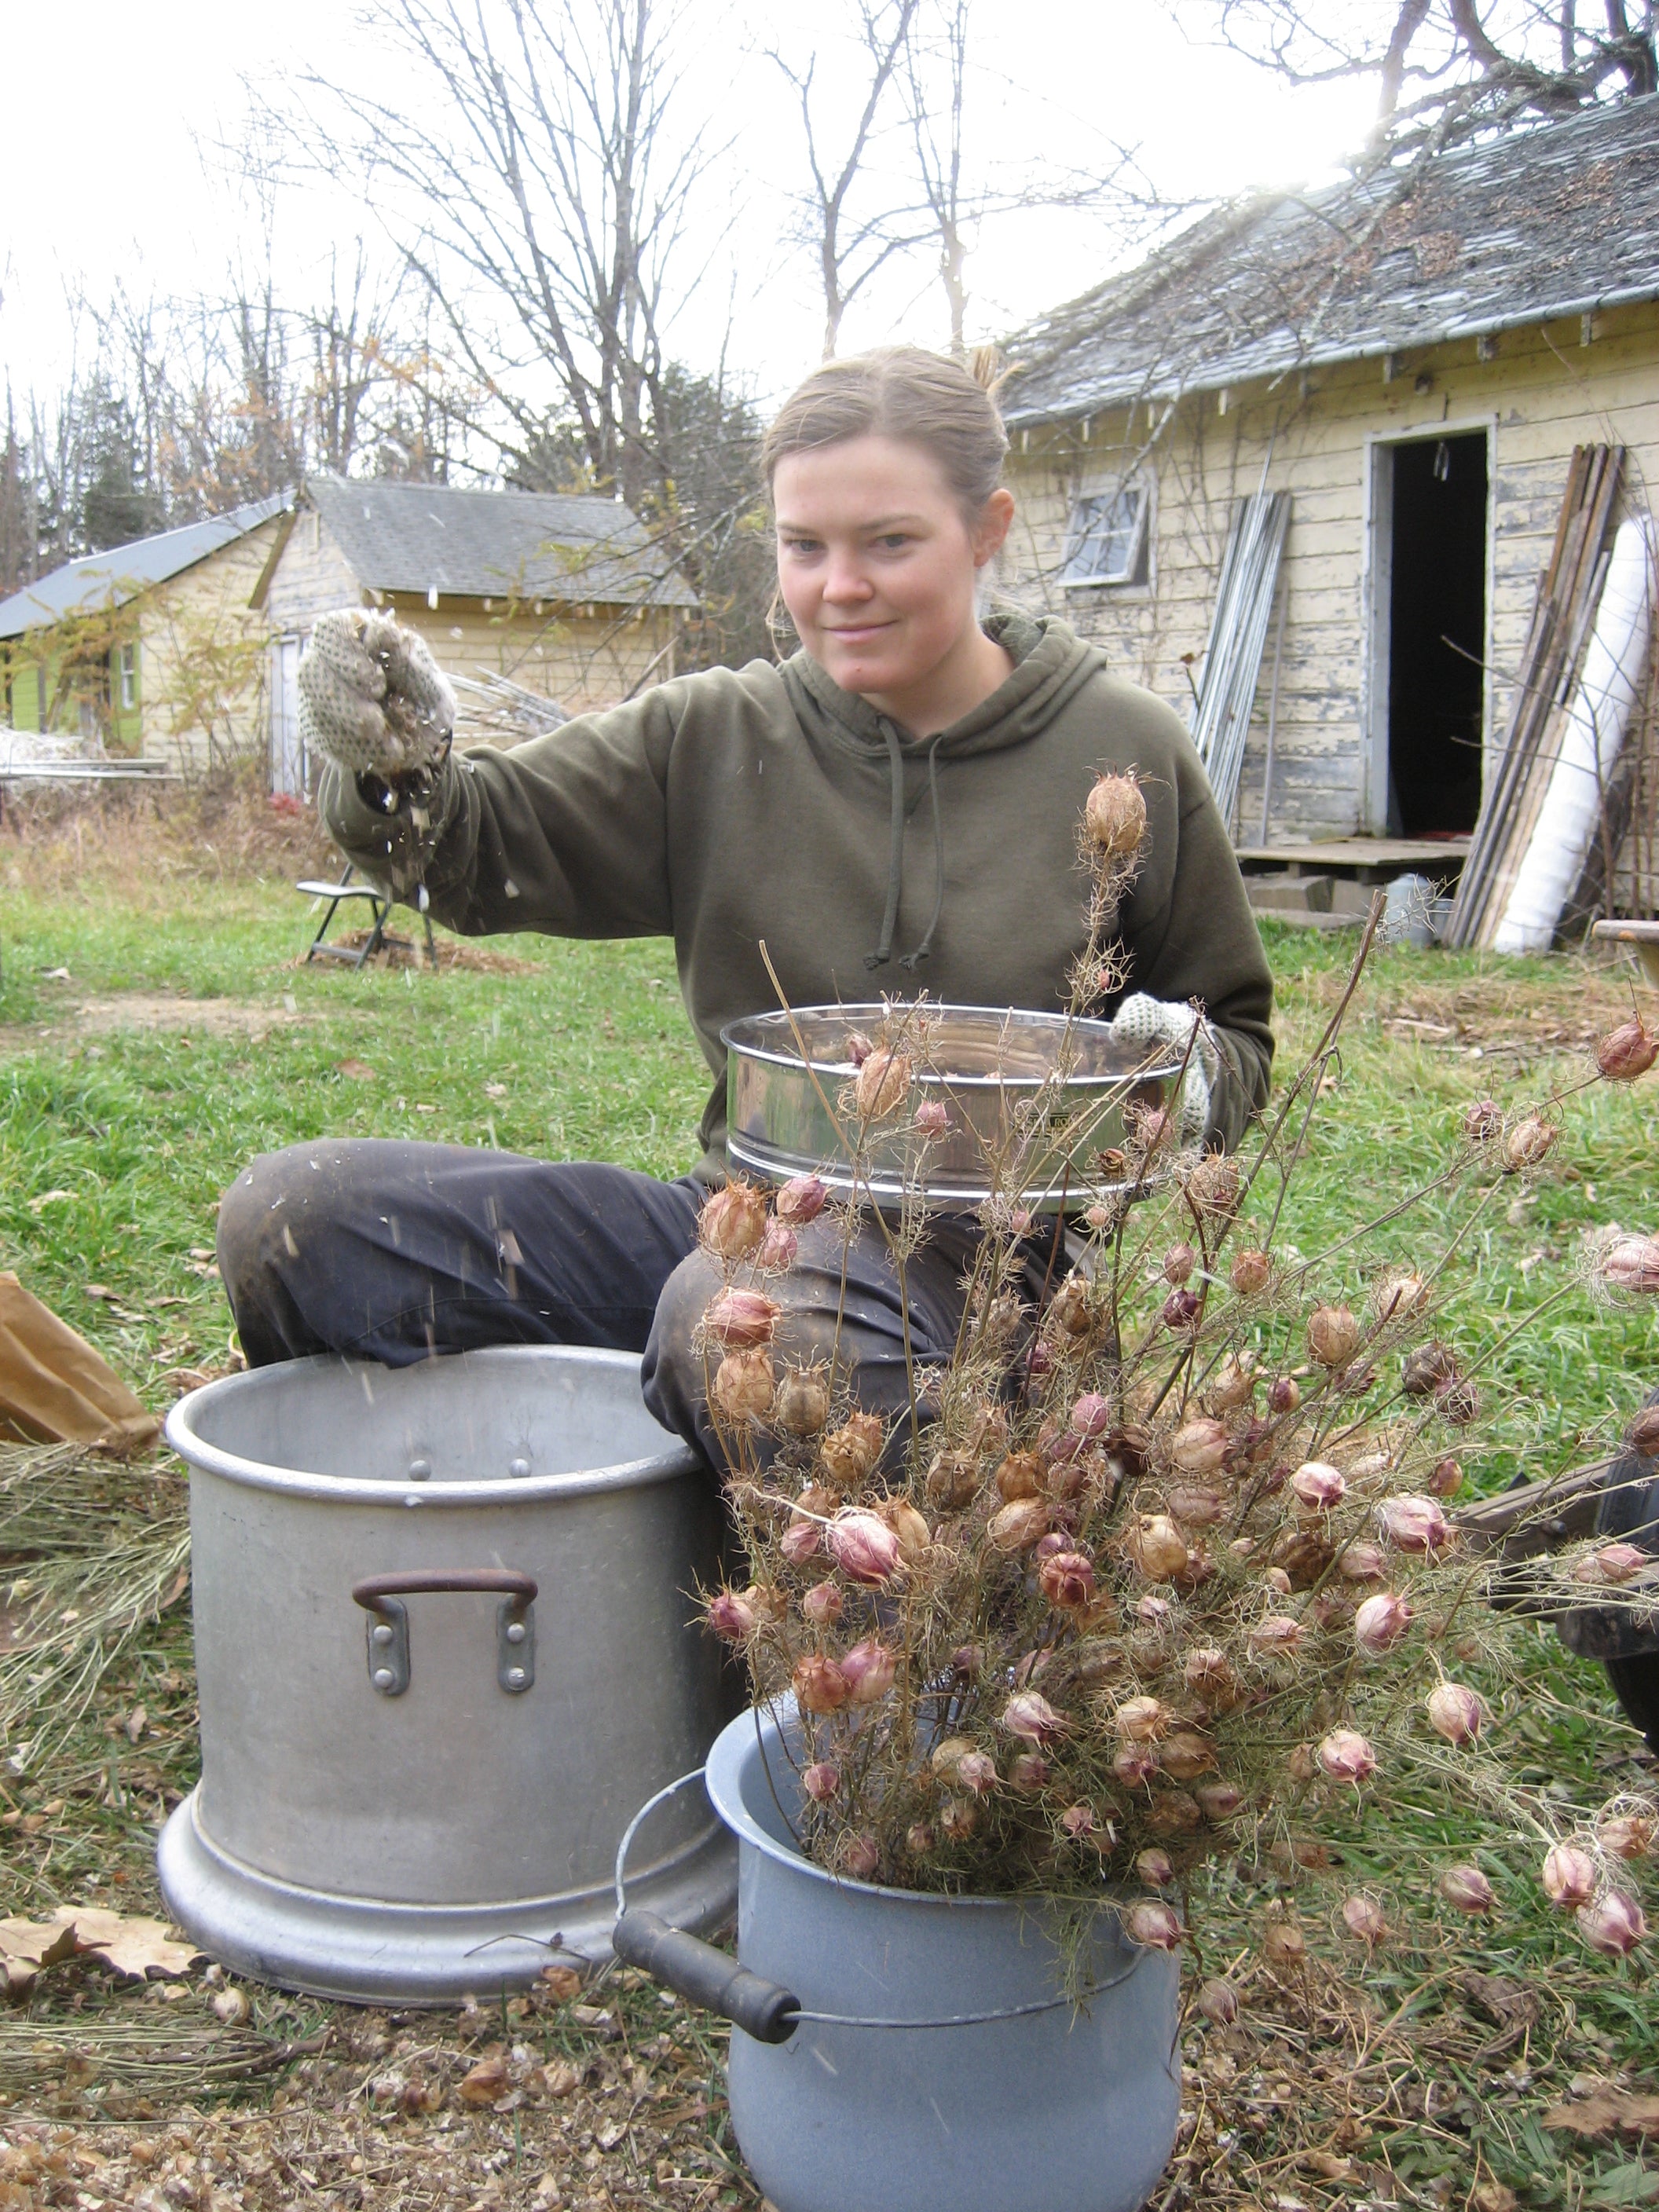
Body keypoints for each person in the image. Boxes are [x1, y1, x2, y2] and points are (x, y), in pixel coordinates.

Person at [217, 347, 1275, 1467]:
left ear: (989, 527)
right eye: (802, 545)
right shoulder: (712, 737)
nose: (837, 586)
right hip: (740, 1215)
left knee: (725, 1327)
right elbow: (475, 845)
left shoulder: (1122, 752)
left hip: (991, 1283)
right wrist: (394, 764)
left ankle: (921, 1618)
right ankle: (461, 1530)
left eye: (889, 542)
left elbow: (1236, 1030)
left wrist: (1189, 1075)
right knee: (300, 1221)